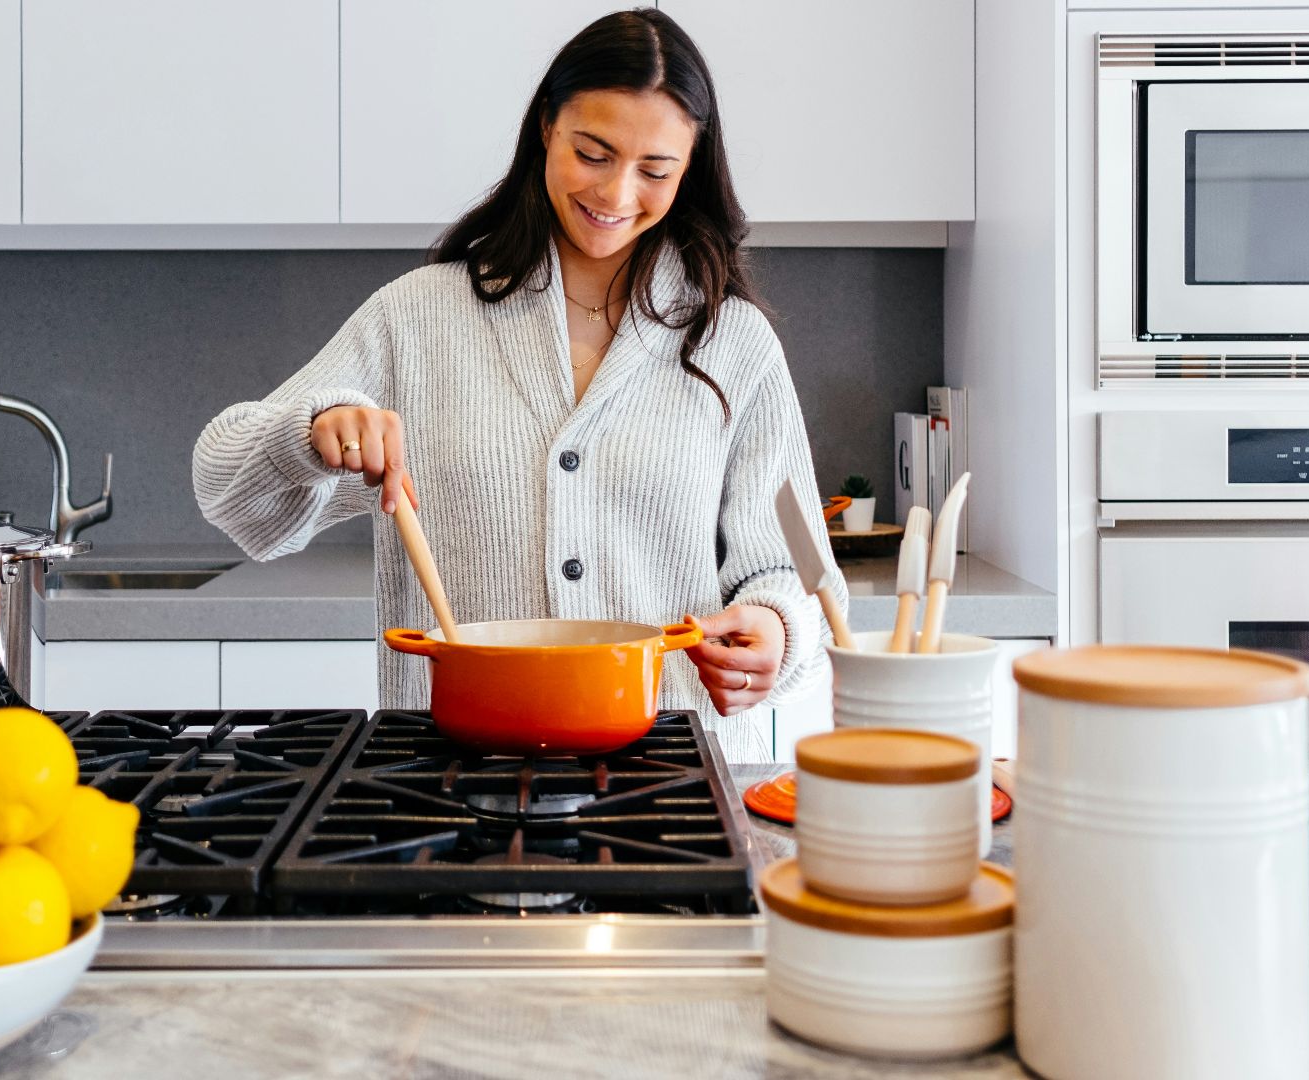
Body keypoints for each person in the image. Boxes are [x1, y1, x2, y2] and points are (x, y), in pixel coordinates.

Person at [192, 8, 844, 761]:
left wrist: (772, 629)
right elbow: (227, 491)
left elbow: (792, 571)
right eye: (593, 152)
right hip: (446, 783)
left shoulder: (732, 341)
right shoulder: (421, 317)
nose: (618, 192)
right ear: (545, 128)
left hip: (665, 785)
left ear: (691, 167)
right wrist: (310, 432)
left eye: (655, 169)